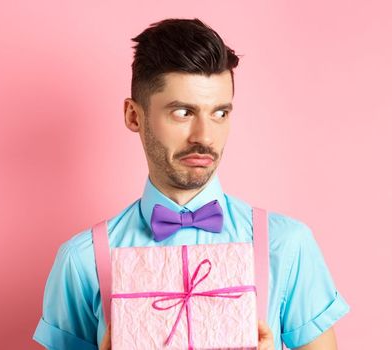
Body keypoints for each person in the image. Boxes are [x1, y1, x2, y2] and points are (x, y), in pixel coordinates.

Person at [33, 18, 349, 350]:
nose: (205, 136)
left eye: (220, 113)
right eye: (183, 112)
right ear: (133, 116)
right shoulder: (82, 260)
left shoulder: (287, 245)